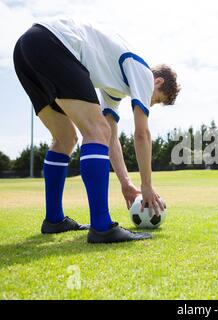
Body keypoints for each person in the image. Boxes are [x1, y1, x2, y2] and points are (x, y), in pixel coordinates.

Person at [13, 18, 180, 243]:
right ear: (157, 81)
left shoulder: (116, 85)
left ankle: (54, 220)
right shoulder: (142, 73)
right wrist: (147, 186)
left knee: (66, 138)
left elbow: (110, 136)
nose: (151, 105)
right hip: (54, 42)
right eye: (157, 100)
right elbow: (142, 134)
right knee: (95, 130)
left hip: (27, 48)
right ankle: (102, 226)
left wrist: (126, 183)